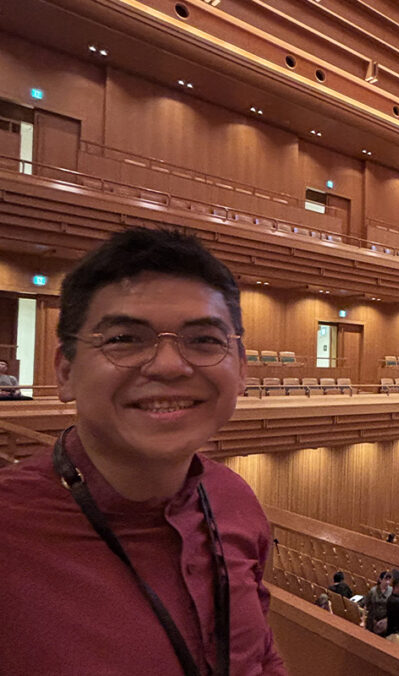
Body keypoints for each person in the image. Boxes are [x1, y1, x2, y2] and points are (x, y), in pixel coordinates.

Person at [0, 228, 286, 674]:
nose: (170, 365)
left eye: (204, 340)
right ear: (66, 370)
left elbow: (258, 655)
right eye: (124, 339)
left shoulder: (235, 499)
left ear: (242, 370)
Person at [362, 570, 393, 634]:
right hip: (372, 620)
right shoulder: (373, 591)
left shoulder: (392, 591)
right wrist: (363, 621)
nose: (387, 582)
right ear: (380, 580)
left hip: (384, 621)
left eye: (389, 580)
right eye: (385, 579)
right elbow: (366, 605)